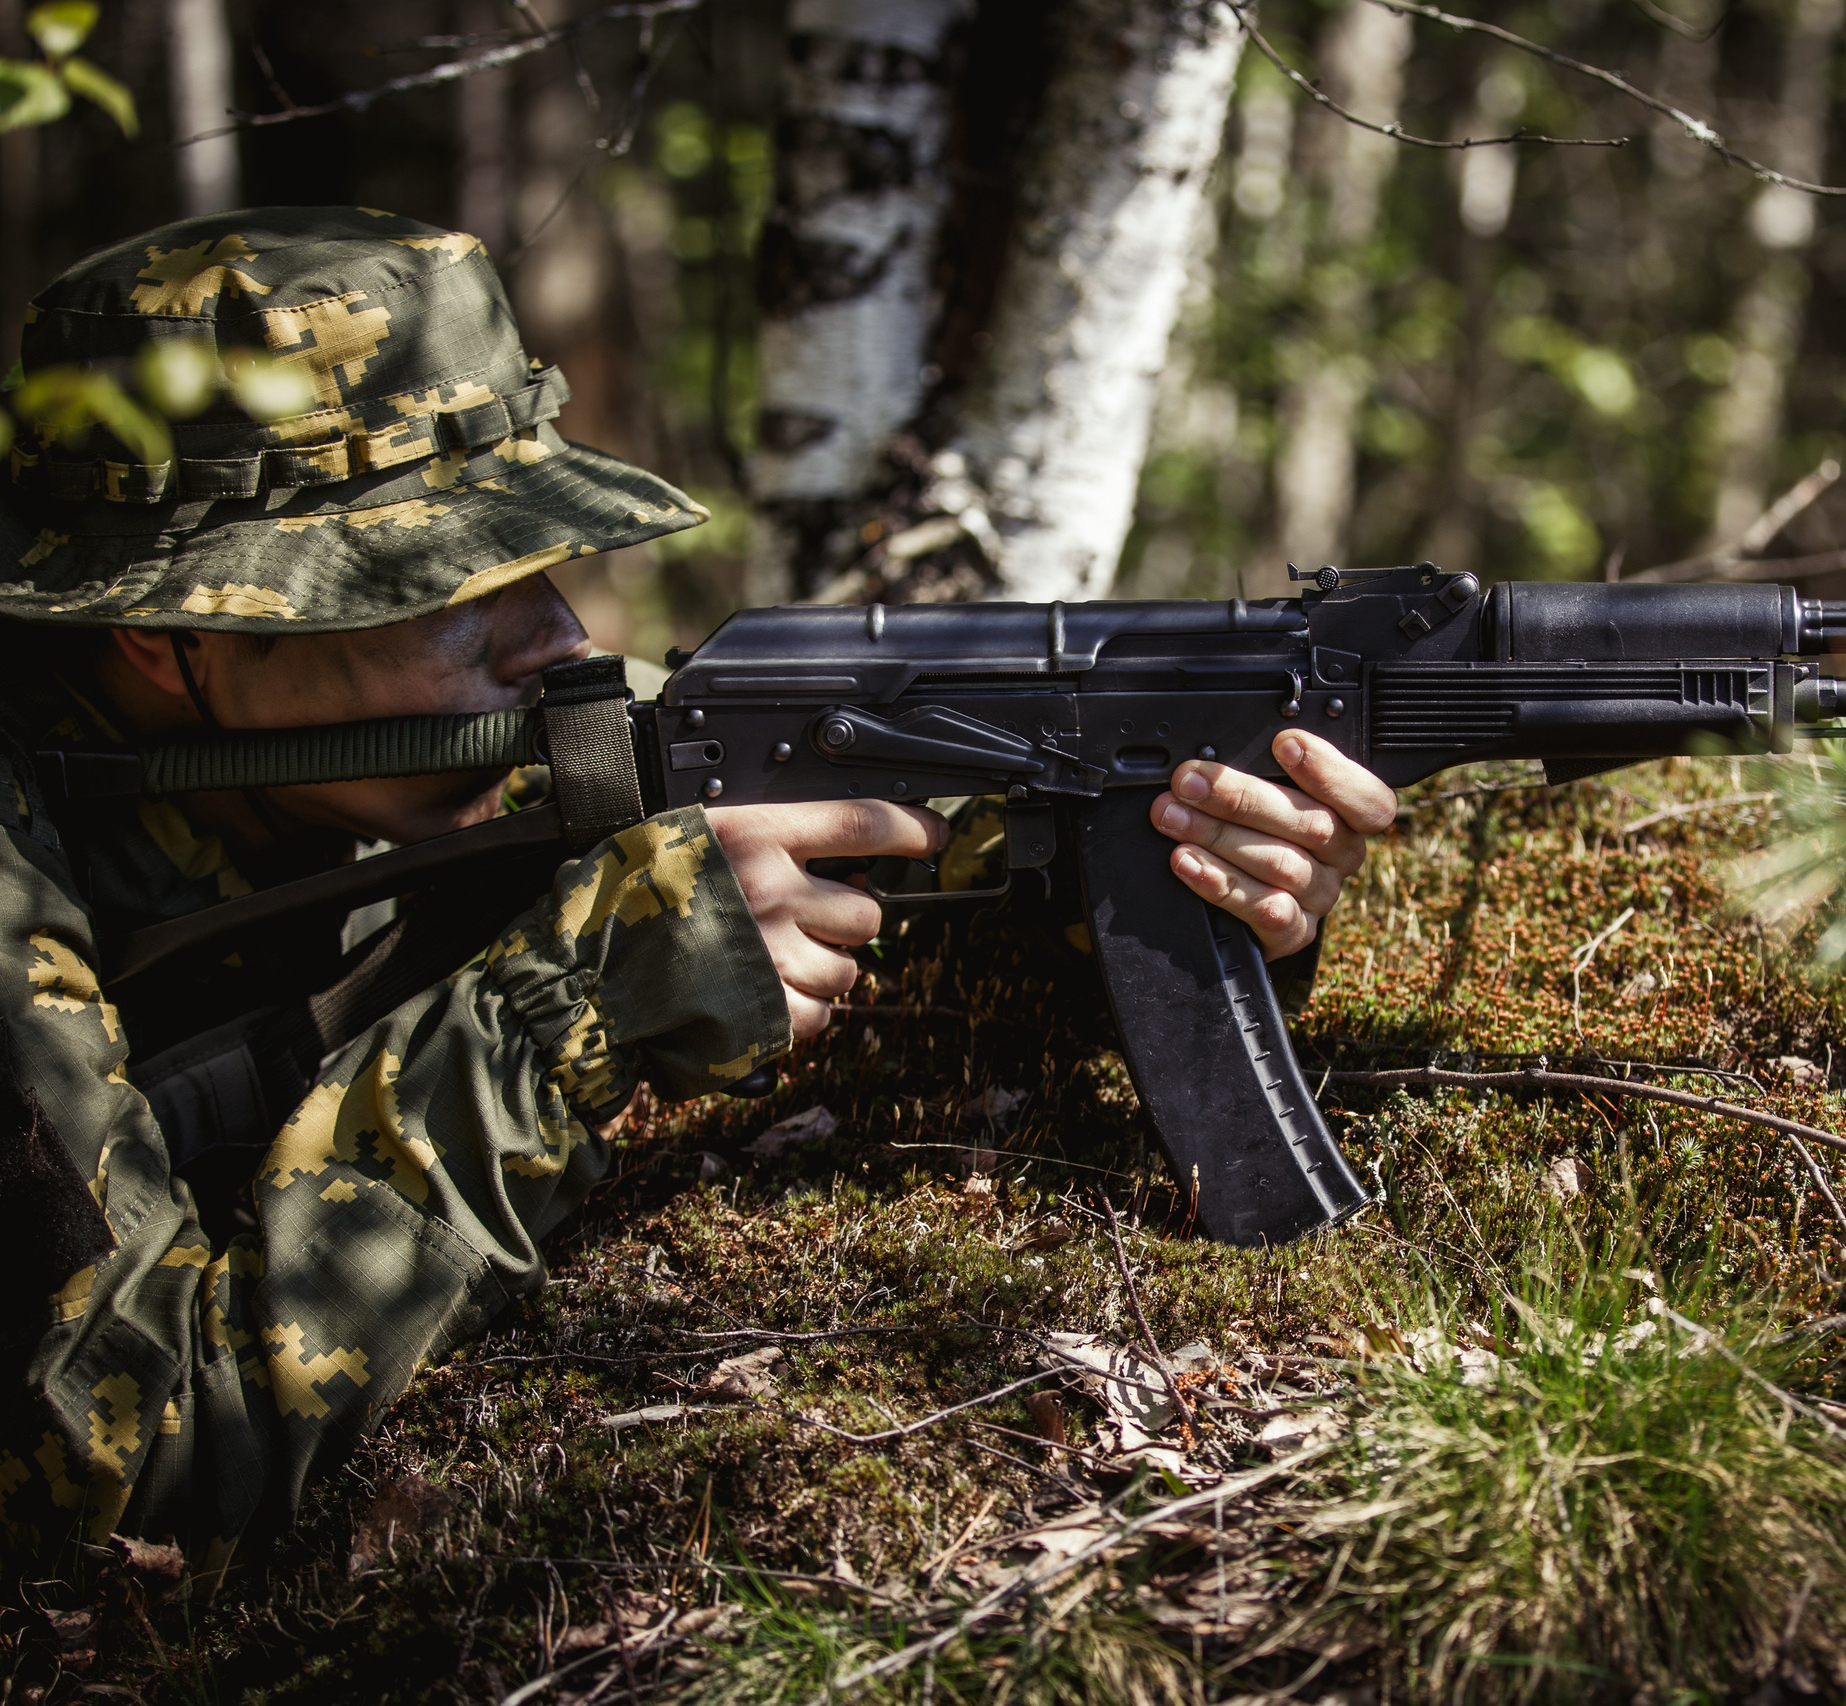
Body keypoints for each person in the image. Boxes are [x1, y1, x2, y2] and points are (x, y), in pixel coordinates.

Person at [0, 208, 1396, 1568]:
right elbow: (139, 1452)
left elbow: (895, 878)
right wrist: (561, 1012)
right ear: (162, 639)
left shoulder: (451, 748)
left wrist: (1171, 866)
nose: (556, 638)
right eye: (443, 589)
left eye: (549, 560)